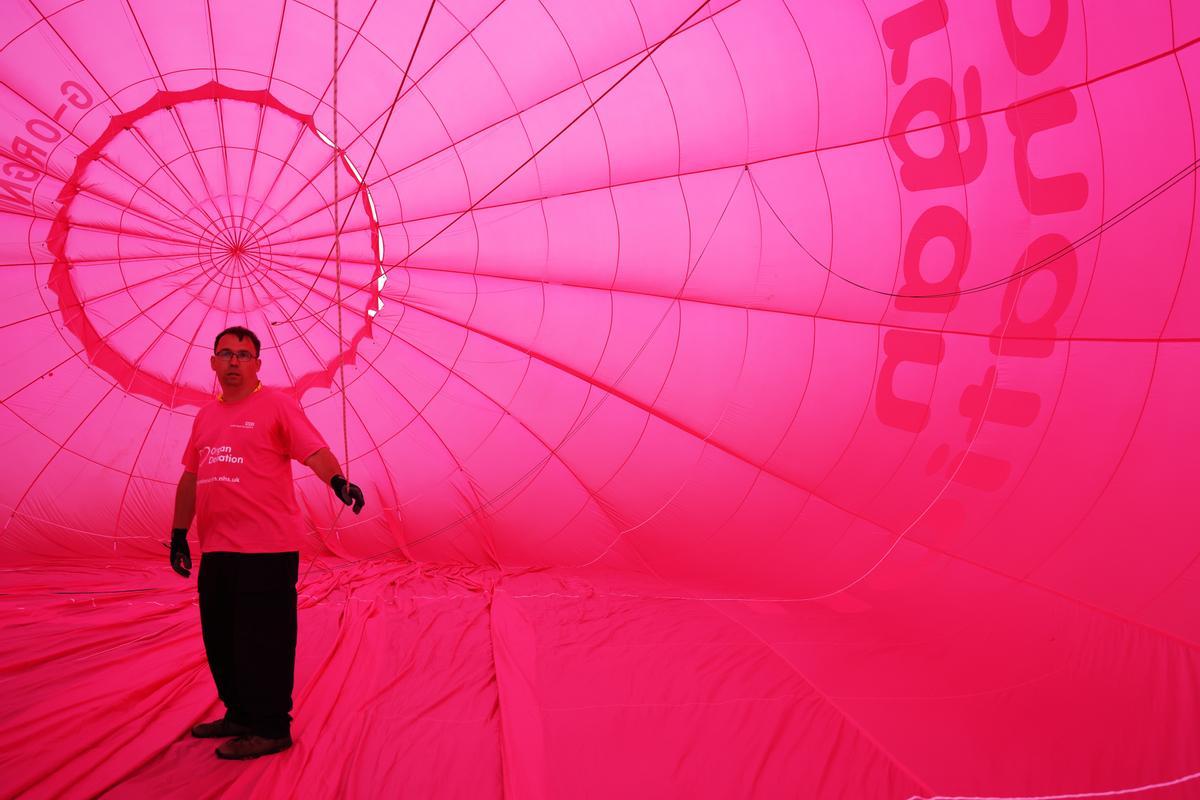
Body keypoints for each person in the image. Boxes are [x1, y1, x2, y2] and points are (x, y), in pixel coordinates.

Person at [168, 326, 365, 760]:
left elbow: (313, 450)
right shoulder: (204, 416)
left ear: (258, 364)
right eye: (226, 354)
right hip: (218, 549)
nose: (234, 361)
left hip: (267, 550)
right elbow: (191, 476)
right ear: (213, 362)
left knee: (265, 641)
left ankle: (272, 725)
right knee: (221, 638)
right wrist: (179, 534)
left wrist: (337, 480)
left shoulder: (276, 405)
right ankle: (240, 714)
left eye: (244, 354)